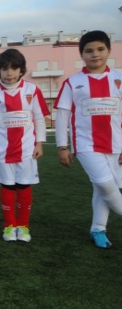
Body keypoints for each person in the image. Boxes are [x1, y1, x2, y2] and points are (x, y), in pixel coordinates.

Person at [54, 30, 122, 249]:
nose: (95, 54)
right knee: (104, 183)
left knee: (103, 187)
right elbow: (62, 115)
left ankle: (98, 229)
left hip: (116, 144)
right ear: (81, 54)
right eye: (89, 51)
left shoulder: (119, 79)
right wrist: (62, 146)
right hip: (86, 144)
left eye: (100, 49)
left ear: (109, 50)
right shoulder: (73, 82)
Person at [0, 49, 49, 242]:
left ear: (21, 70)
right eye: (5, 69)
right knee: (7, 186)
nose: (9, 73)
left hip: (27, 149)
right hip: (3, 150)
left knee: (24, 186)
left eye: (14, 68)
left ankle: (23, 226)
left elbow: (39, 118)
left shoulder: (32, 90)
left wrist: (39, 143)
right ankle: (9, 226)